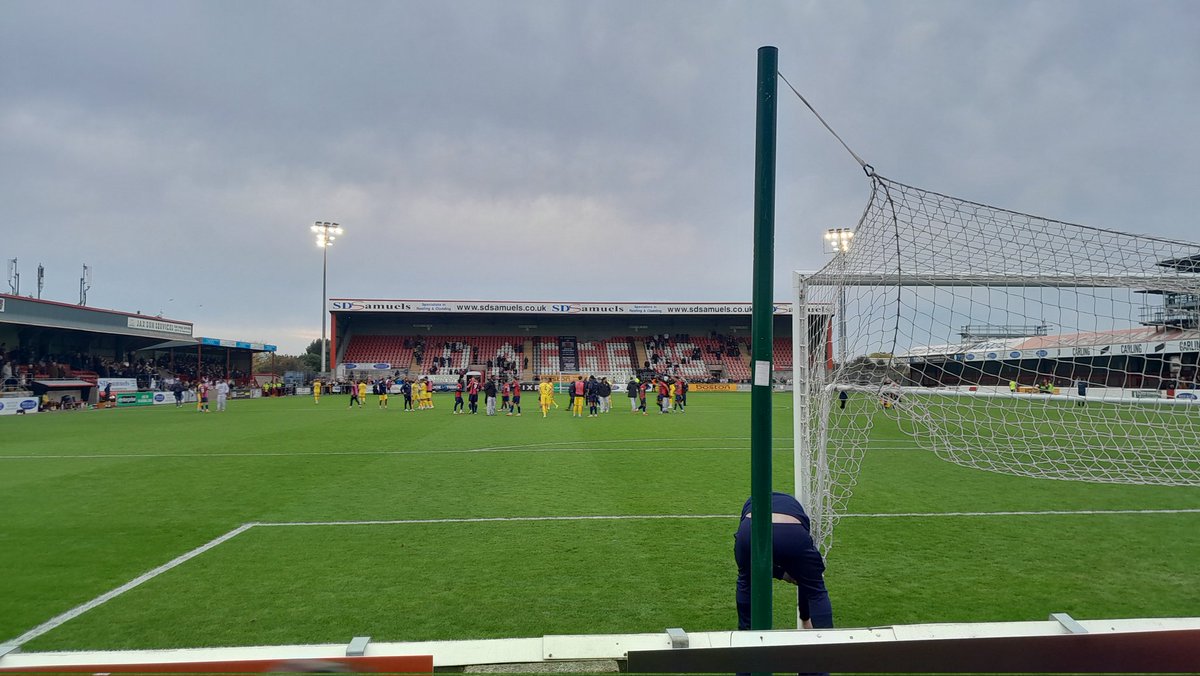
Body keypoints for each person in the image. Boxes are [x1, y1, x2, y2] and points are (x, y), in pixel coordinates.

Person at [734, 491, 833, 632]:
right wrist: (805, 619)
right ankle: (826, 643)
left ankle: (746, 635)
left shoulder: (752, 501)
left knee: (746, 580)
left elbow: (752, 565)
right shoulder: (795, 508)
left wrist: (781, 574)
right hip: (792, 533)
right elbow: (806, 581)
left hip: (749, 530)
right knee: (815, 589)